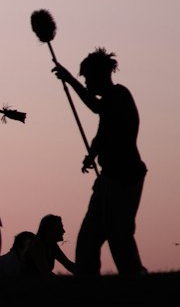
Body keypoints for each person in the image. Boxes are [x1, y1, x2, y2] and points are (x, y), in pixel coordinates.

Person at [52, 47, 147, 275]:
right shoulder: (112, 100)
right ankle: (88, 282)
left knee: (119, 236)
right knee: (89, 237)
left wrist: (69, 79)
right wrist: (92, 155)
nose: (86, 84)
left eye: (87, 79)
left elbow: (96, 109)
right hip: (109, 179)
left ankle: (135, 278)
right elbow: (103, 132)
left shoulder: (119, 96)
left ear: (99, 76)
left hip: (124, 179)